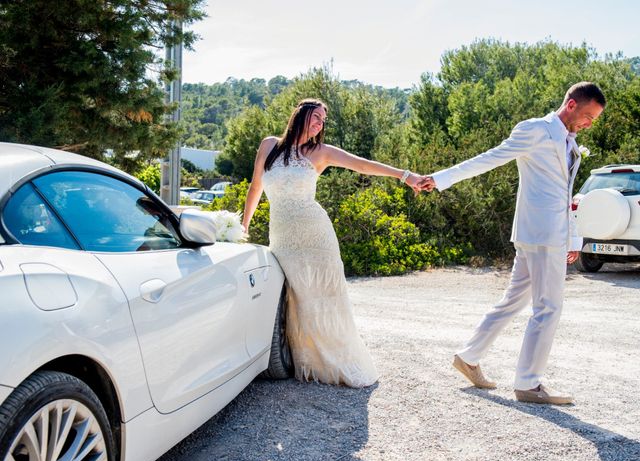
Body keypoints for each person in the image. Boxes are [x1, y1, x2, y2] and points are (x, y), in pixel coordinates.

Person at [420, 82, 606, 404]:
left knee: (513, 301)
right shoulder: (535, 130)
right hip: (541, 235)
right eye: (589, 116)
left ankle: (468, 356)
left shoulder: (569, 141)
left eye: (595, 119)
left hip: (547, 233)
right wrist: (439, 179)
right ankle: (528, 384)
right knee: (548, 307)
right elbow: (489, 159)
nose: (590, 124)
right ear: (572, 104)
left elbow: (564, 195)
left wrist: (572, 237)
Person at [242, 98, 422, 388]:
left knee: (324, 295)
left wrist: (405, 175)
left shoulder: (320, 152)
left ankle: (332, 361)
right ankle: (299, 357)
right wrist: (244, 225)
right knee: (295, 295)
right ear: (299, 115)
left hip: (316, 235)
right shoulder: (269, 146)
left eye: (323, 120)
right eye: (316, 117)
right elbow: (255, 186)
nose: (320, 124)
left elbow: (362, 166)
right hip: (283, 236)